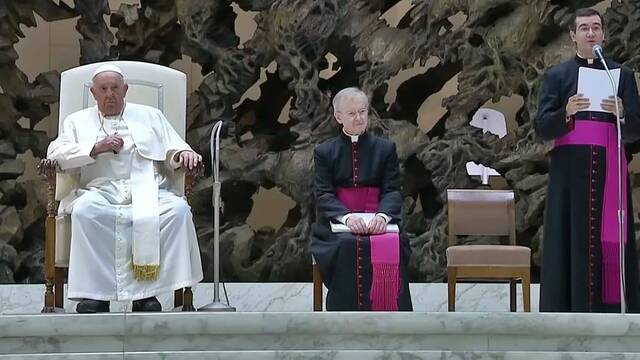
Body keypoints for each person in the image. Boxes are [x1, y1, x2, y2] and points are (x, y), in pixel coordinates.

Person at [47, 64, 203, 313]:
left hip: (149, 191)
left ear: (125, 90)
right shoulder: (76, 121)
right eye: (104, 89)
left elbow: (174, 147)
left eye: (115, 88)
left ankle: (147, 295)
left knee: (177, 211)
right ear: (94, 93)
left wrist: (184, 154)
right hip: (99, 191)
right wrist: (95, 148)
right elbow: (55, 153)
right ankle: (95, 296)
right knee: (85, 211)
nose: (110, 94)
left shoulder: (150, 116)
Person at [536, 8, 640, 312]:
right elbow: (542, 128)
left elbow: (635, 131)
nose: (590, 33)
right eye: (584, 28)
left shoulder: (621, 76)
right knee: (568, 238)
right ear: (573, 36)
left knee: (610, 236)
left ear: (604, 34)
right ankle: (566, 308)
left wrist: (622, 114)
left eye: (596, 27)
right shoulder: (557, 76)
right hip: (570, 173)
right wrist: (566, 112)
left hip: (610, 169)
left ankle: (611, 307)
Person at [310, 87, 412, 311]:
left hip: (379, 220)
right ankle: (344, 318)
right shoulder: (325, 152)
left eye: (362, 111)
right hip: (337, 224)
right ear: (338, 117)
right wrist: (345, 218)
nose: (358, 118)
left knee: (392, 242)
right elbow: (323, 193)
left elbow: (393, 190)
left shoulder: (385, 149)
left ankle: (390, 319)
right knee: (347, 244)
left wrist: (383, 217)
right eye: (351, 113)